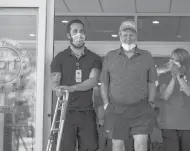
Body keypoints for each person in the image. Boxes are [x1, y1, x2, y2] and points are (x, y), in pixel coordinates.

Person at [100, 20, 158, 151]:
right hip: (116, 109)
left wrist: (151, 103)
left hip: (141, 109)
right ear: (119, 35)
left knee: (141, 144)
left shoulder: (146, 56)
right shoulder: (110, 56)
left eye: (131, 35)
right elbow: (104, 82)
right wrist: (105, 103)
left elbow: (151, 82)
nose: (128, 38)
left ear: (136, 36)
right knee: (117, 145)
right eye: (125, 34)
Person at [50, 19, 102, 151]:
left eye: (82, 31)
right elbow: (55, 82)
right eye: (75, 31)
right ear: (69, 35)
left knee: (90, 148)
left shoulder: (94, 58)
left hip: (87, 112)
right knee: (65, 148)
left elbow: (92, 81)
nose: (79, 34)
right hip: (66, 113)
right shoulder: (60, 58)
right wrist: (57, 89)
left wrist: (71, 88)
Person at [157, 48, 190, 151]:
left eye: (176, 60)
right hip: (168, 123)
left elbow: (189, 91)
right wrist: (173, 77)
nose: (172, 62)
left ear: (183, 62)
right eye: (172, 58)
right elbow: (165, 95)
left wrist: (179, 75)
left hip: (187, 123)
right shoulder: (163, 76)